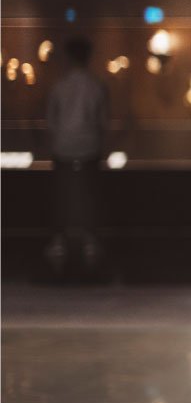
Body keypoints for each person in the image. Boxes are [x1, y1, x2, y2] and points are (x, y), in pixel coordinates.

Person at [44, 36, 107, 280]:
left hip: (63, 149)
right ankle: (90, 242)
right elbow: (102, 122)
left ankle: (59, 242)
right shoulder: (96, 86)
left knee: (61, 197)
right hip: (89, 148)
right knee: (90, 197)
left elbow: (51, 122)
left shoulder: (59, 86)